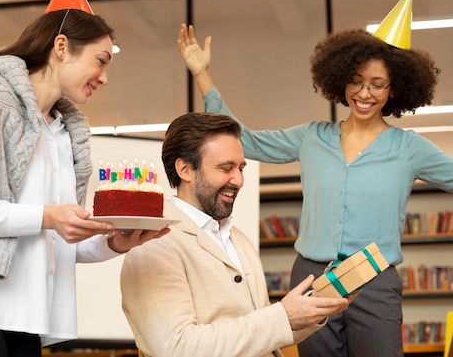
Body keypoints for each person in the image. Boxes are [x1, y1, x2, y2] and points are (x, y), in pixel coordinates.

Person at [176, 0, 453, 357]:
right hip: (312, 279)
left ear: (394, 89)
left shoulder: (409, 148)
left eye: (377, 85)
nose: (364, 94)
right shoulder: (311, 138)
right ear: (340, 81)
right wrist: (202, 75)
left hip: (375, 282)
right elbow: (243, 141)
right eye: (356, 82)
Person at [0, 0, 169, 357]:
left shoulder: (64, 134)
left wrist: (114, 242)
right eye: (101, 61)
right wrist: (48, 216)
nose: (104, 77)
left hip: (28, 318)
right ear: (62, 46)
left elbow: (54, 239)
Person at [120, 112, 352, 357]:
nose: (239, 180)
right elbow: (176, 348)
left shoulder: (237, 239)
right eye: (225, 168)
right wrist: (283, 315)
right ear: (185, 169)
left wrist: (317, 305)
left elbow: (264, 336)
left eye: (241, 168)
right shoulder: (152, 244)